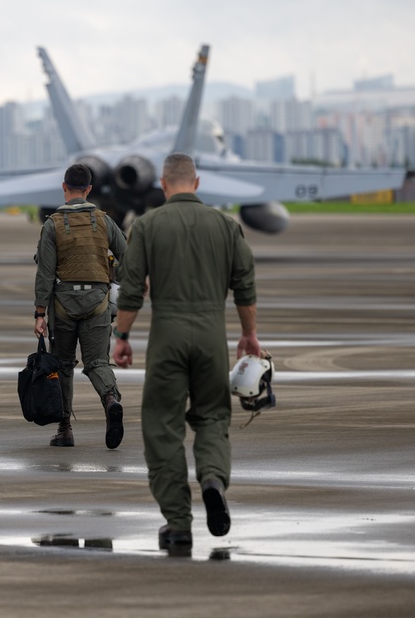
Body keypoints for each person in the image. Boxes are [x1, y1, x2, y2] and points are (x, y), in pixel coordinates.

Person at [112, 152, 260, 555]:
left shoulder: (147, 224)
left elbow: (130, 287)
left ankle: (178, 523)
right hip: (212, 334)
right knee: (212, 416)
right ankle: (212, 479)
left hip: (168, 335)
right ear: (197, 183)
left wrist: (121, 335)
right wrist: (249, 335)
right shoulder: (226, 226)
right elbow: (245, 284)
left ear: (163, 185)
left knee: (162, 425)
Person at [34, 163, 127, 449]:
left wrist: (40, 313)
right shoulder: (104, 221)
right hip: (98, 303)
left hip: (62, 305)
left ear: (64, 188)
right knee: (97, 362)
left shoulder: (52, 224)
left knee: (62, 365)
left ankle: (64, 429)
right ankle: (110, 399)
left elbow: (45, 273)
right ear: (88, 189)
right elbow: (127, 257)